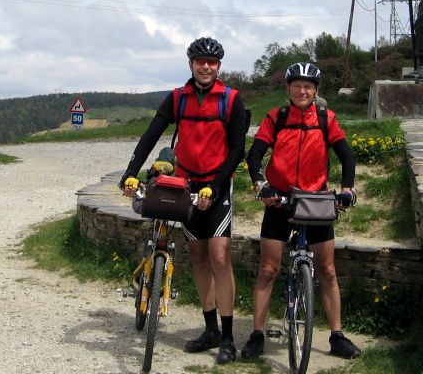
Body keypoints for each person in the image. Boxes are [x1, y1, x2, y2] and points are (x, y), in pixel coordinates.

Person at [119, 37, 246, 365]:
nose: (206, 66)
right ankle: (210, 330)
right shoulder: (178, 99)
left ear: (219, 66)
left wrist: (216, 188)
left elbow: (237, 150)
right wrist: (130, 172)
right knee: (198, 256)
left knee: (220, 256)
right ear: (190, 64)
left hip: (216, 187)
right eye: (200, 61)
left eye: (212, 62)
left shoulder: (231, 99)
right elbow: (150, 135)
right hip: (185, 184)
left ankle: (228, 337)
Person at [241, 62, 361, 360]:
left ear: (316, 91)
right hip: (279, 200)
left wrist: (347, 189)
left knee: (328, 270)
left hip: (315, 200)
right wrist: (260, 185)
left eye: (308, 86)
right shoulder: (277, 117)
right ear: (288, 89)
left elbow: (346, 154)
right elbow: (255, 153)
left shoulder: (325, 118)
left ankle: (336, 335)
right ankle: (257, 334)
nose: (302, 90)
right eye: (297, 85)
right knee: (268, 269)